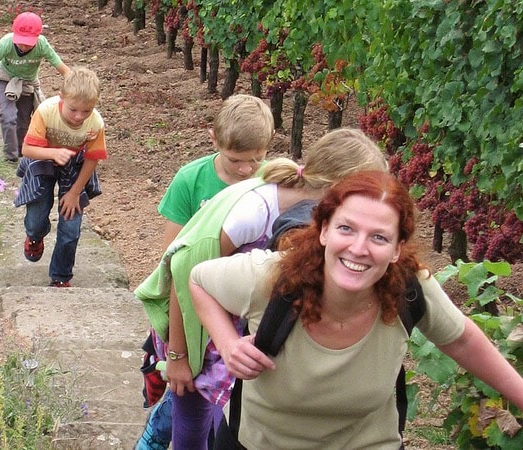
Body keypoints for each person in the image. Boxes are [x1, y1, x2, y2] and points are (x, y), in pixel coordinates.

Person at [189, 171, 523, 449]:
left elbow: (462, 340)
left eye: (379, 238)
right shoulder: (272, 279)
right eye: (346, 229)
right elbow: (199, 280)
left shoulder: (409, 289)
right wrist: (228, 344)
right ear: (323, 231)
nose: (359, 248)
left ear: (397, 250)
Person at [135, 128, 389, 449]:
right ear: (335, 189)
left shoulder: (322, 218)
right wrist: (179, 356)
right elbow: (185, 273)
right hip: (196, 330)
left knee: (219, 422)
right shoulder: (256, 210)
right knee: (192, 425)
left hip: (235, 330)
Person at [136, 94, 275, 450]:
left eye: (256, 160)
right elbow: (176, 266)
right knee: (191, 399)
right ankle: (160, 382)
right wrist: (177, 354)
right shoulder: (191, 180)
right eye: (236, 161)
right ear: (213, 139)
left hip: (242, 314)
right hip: (193, 315)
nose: (246, 170)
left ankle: (162, 385)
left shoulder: (272, 184)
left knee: (210, 404)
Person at [12, 67, 106, 288]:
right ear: (62, 98)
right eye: (73, 109)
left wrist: (74, 193)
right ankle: (35, 236)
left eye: (87, 111)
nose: (79, 117)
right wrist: (53, 153)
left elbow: (93, 159)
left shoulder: (95, 123)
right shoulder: (46, 111)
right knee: (36, 216)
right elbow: (27, 149)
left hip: (75, 166)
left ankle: (61, 276)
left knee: (71, 226)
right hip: (42, 157)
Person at [0, 12, 71, 162]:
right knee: (8, 117)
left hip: (27, 83)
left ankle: (22, 151)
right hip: (5, 79)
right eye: (21, 41)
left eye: (28, 42)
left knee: (23, 122)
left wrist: (71, 93)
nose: (24, 46)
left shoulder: (42, 45)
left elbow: (64, 70)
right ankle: (10, 157)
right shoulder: (7, 43)